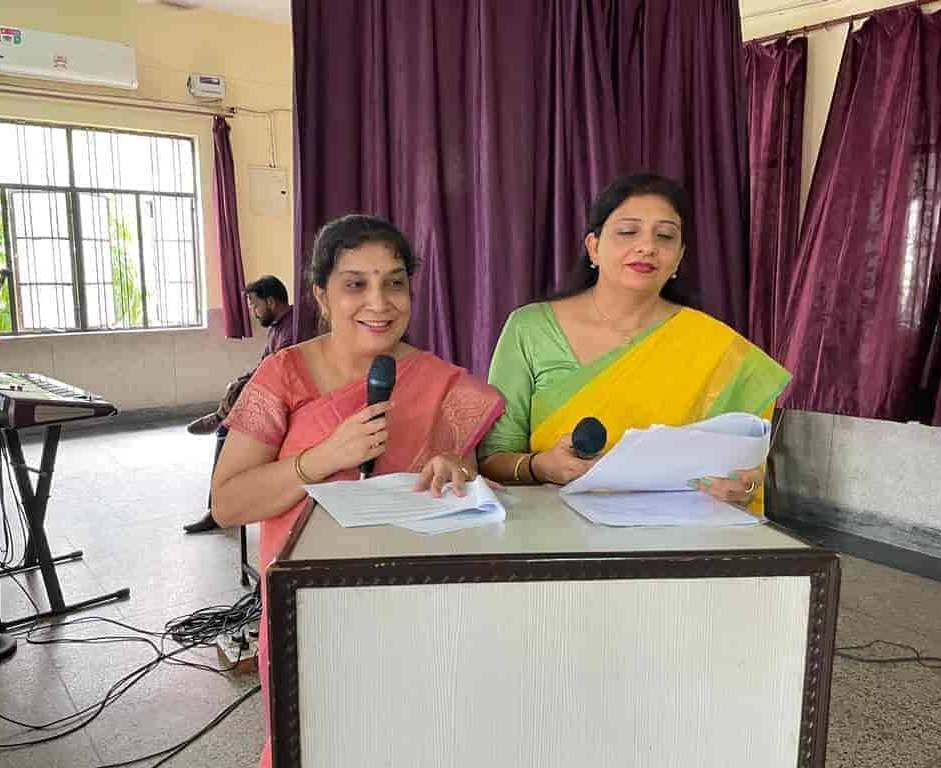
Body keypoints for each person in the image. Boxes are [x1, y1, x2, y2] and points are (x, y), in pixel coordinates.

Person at [209, 214, 504, 768]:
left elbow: (467, 485)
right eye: (355, 284)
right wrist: (323, 458)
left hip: (418, 608)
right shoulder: (282, 374)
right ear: (321, 295)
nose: (379, 302)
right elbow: (227, 505)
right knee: (316, 741)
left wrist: (455, 469)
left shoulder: (444, 383)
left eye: (394, 282)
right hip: (308, 609)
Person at [478, 173, 791, 513]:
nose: (647, 247)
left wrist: (744, 484)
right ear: (593, 247)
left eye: (665, 236)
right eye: (628, 231)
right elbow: (493, 459)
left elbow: (748, 469)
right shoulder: (530, 327)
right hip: (552, 528)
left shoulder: (715, 345)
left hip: (677, 531)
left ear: (679, 257)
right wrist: (539, 466)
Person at [182, 275, 293, 534]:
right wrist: (241, 381)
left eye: (255, 305)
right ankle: (221, 416)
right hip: (271, 392)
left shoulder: (293, 328)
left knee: (227, 430)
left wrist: (245, 387)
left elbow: (278, 373)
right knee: (236, 392)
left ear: (271, 301)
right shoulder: (277, 327)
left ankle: (217, 511)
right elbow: (265, 366)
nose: (253, 311)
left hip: (283, 399)